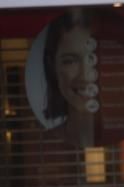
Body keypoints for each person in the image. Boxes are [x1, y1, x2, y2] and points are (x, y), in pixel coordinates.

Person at [41, 9, 100, 147]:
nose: (85, 74)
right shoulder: (44, 145)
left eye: (93, 58)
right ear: (52, 67)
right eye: (70, 61)